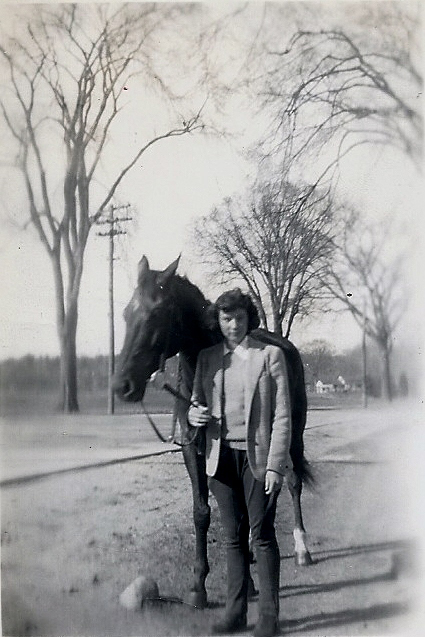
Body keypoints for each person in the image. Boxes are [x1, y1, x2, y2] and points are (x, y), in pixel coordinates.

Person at [188, 289, 292, 637]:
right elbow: (195, 404)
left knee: (261, 535)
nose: (233, 325)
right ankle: (235, 614)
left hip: (258, 459)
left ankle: (268, 618)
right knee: (232, 537)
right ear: (218, 322)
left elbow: (282, 415)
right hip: (220, 460)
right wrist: (195, 414)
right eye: (226, 318)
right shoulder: (206, 358)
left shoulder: (270, 356)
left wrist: (276, 465)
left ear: (250, 319)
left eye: (240, 318)